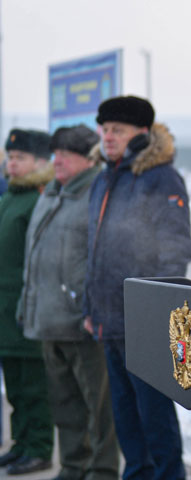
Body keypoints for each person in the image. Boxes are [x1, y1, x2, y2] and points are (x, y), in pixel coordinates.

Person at [84, 96, 191, 479]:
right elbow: (95, 251)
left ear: (142, 134)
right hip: (109, 320)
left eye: (118, 130)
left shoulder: (160, 177)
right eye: (105, 129)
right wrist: (90, 308)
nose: (108, 137)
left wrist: (160, 310)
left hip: (145, 319)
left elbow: (176, 249)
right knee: (125, 417)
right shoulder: (105, 178)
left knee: (154, 416)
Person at [18, 125, 119, 480]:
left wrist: (92, 309)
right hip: (47, 318)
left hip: (82, 322)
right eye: (55, 152)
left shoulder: (97, 194)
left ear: (87, 158)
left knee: (98, 407)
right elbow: (35, 258)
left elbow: (103, 259)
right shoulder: (50, 192)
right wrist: (26, 306)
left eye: (67, 154)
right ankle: (73, 467)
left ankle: (103, 471)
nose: (57, 160)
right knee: (64, 404)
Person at [0, 128, 54, 475]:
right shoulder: (8, 198)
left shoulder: (38, 198)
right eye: (10, 157)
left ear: (38, 162)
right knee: (16, 387)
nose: (12, 163)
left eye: (19, 158)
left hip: (25, 310)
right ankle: (20, 443)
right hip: (4, 311)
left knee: (34, 386)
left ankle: (39, 447)